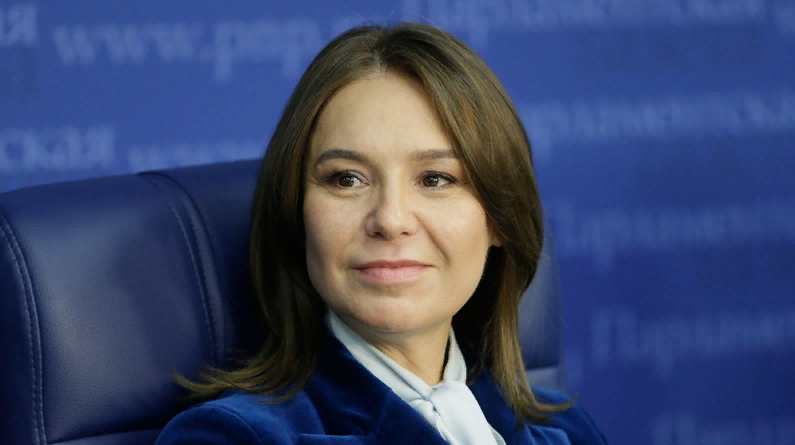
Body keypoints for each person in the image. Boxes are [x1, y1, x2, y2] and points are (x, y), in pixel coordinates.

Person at [155, 22, 607, 445]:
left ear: (499, 220)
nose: (390, 220)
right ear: (297, 213)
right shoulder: (231, 436)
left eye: (435, 179)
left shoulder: (567, 429)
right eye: (347, 179)